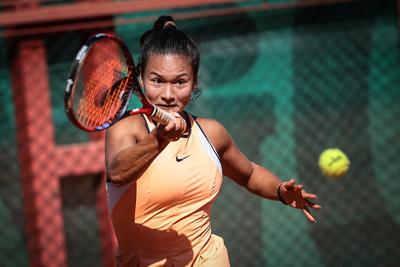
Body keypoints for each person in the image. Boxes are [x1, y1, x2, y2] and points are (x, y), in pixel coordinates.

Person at [105, 15, 321, 267]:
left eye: (180, 82)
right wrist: (159, 140)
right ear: (141, 79)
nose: (168, 94)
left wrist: (280, 191)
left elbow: (248, 173)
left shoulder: (212, 133)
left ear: (194, 82)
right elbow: (118, 173)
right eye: (157, 80)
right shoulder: (125, 130)